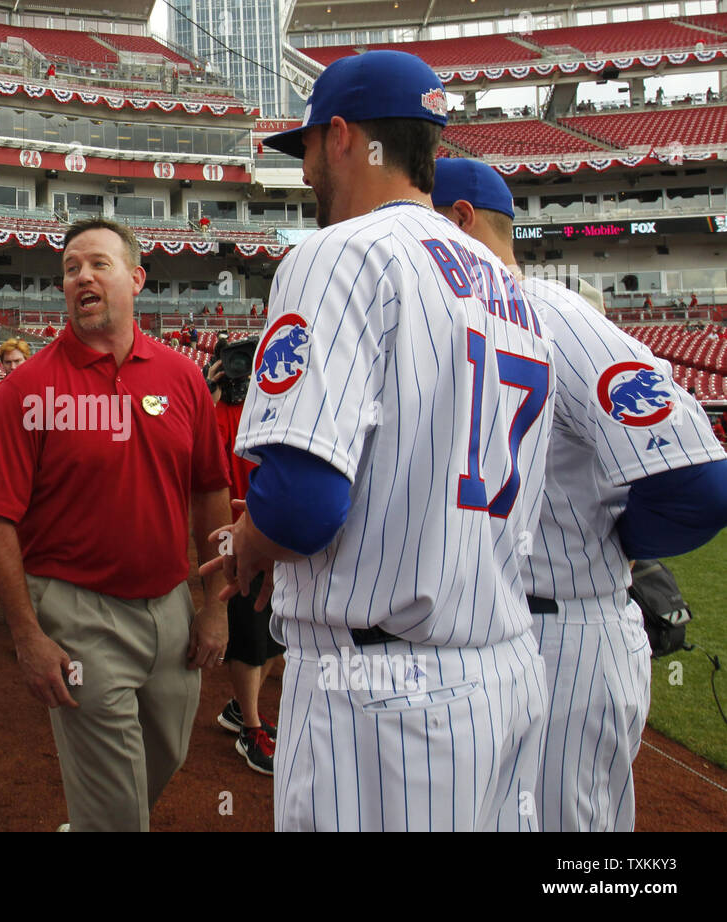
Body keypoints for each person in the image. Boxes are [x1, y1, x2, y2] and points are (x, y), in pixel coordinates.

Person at [207, 51, 554, 832]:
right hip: (504, 669)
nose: (304, 178)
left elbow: (300, 503)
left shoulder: (339, 253)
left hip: (383, 708)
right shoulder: (506, 285)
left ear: (341, 136)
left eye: (305, 153)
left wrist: (251, 541)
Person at [431, 157, 727, 831]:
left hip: (568, 631)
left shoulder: (554, 312)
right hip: (498, 631)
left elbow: (702, 484)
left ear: (459, 220)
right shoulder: (453, 327)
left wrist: (626, 545)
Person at [0, 218, 232, 832]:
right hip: (77, 612)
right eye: (69, 269)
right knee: (118, 812)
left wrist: (214, 605)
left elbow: (210, 489)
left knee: (165, 758)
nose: (81, 276)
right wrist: (26, 634)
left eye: (98, 264)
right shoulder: (25, 390)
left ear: (137, 279)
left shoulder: (182, 377)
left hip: (171, 608)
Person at [207, 337, 283, 775]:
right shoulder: (210, 413)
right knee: (251, 632)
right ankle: (249, 727)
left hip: (270, 529)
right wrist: (207, 392)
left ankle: (241, 706)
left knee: (275, 633)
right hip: (231, 533)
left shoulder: (268, 408)